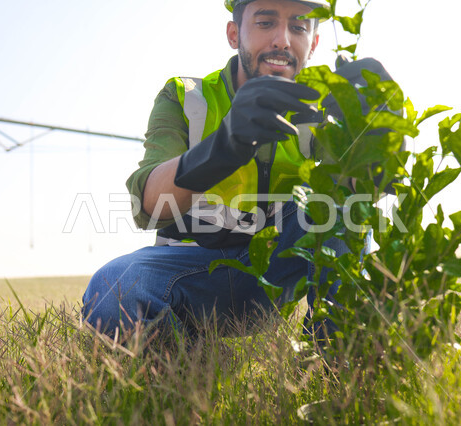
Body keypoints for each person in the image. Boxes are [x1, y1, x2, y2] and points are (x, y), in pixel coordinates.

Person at [81, 0, 392, 341]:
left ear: (313, 43)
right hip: (190, 275)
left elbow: (361, 192)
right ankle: (185, 365)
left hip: (272, 276)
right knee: (112, 291)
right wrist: (223, 146)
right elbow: (151, 204)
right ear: (234, 34)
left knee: (343, 205)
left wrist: (380, 136)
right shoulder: (189, 97)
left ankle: (331, 367)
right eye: (265, 23)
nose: (282, 40)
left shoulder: (321, 110)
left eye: (299, 27)